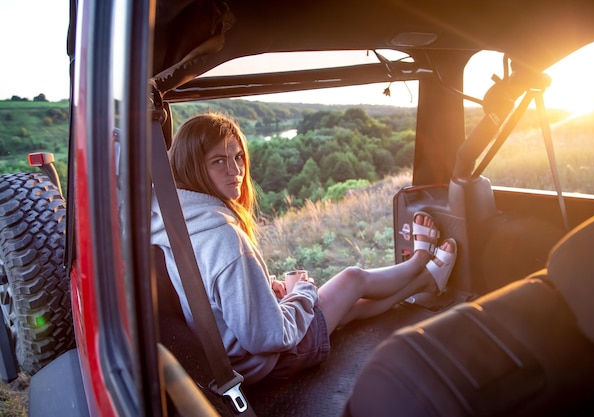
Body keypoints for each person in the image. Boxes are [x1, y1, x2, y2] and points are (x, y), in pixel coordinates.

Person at [151, 112, 457, 384]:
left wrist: (265, 293)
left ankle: (425, 281)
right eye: (219, 161)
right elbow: (267, 337)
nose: (235, 170)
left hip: (232, 359)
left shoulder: (175, 221)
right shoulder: (223, 239)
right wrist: (304, 293)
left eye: (239, 157)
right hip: (269, 361)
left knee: (346, 310)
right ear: (192, 166)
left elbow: (215, 296)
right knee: (353, 279)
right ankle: (420, 261)